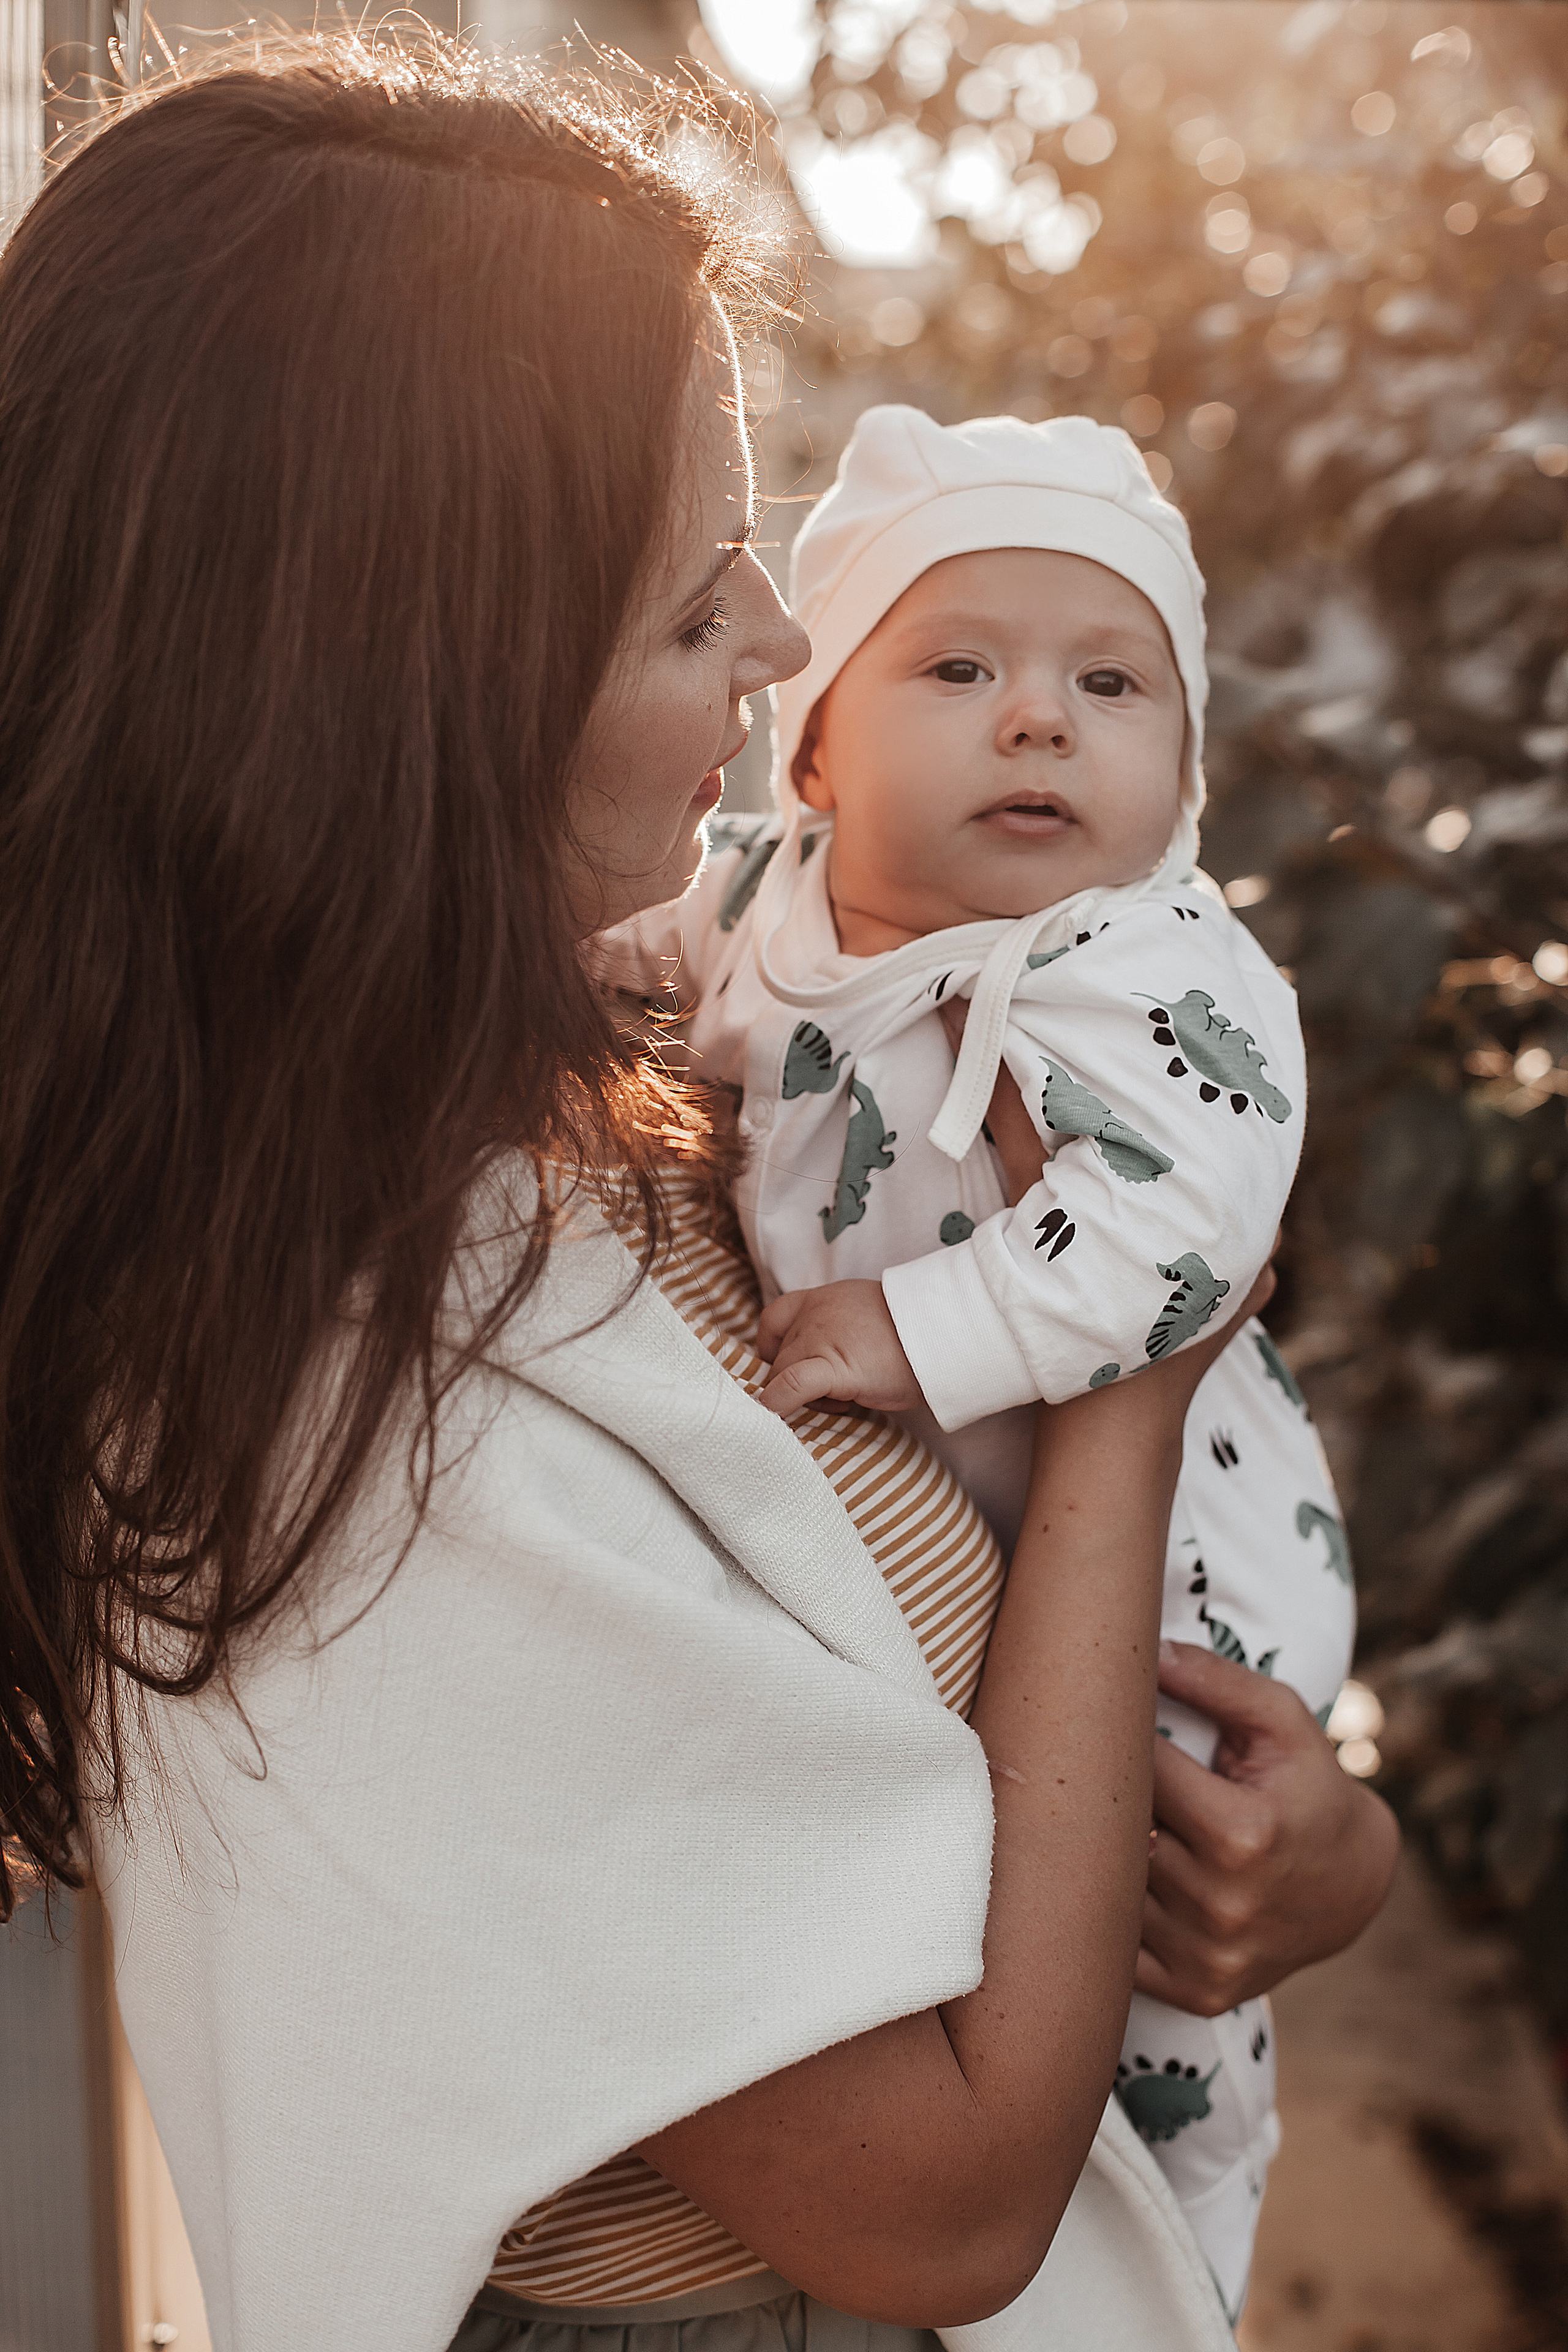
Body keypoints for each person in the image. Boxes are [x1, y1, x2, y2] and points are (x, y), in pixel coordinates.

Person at [0, 41, 1397, 2352]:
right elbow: (945, 2202)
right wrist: (1135, 1390)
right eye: (690, 609)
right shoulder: (378, 1453)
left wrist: (1308, 1855)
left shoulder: (586, 1067)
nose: (781, 651)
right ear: (394, 711)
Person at [604, 407, 1355, 2321]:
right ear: (820, 739)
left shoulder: (1144, 967)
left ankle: (1173, 2275)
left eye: (1111, 683)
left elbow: (1194, 1225)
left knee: (1166, 2025)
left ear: (1181, 774)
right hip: (999, 1580)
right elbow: (642, 971)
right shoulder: (764, 902)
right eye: (960, 667)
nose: (1040, 719)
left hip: (1178, 1582)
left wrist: (928, 1329)